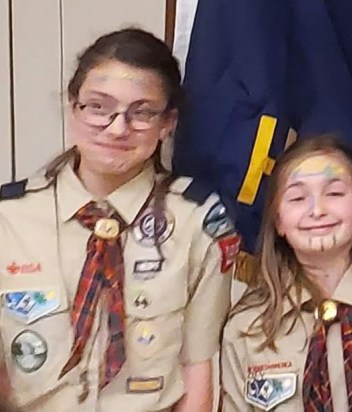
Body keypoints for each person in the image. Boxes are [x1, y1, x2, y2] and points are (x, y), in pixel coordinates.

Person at [0, 27, 237, 410]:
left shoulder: (198, 222)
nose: (117, 127)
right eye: (98, 106)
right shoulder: (9, 218)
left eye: (142, 112)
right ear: (71, 105)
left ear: (168, 123)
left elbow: (199, 367)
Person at [220, 133, 352, 411]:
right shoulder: (248, 328)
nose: (317, 210)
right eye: (297, 198)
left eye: (334, 193)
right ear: (278, 221)